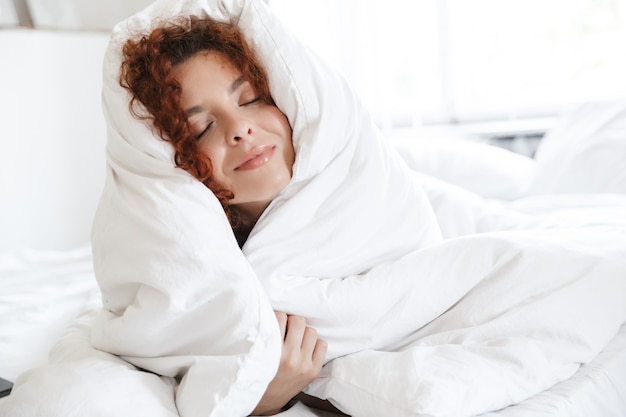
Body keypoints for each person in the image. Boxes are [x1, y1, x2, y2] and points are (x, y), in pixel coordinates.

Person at [119, 15, 334, 416]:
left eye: (250, 99)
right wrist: (264, 397)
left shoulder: (371, 202)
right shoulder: (201, 276)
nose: (240, 129)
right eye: (201, 128)